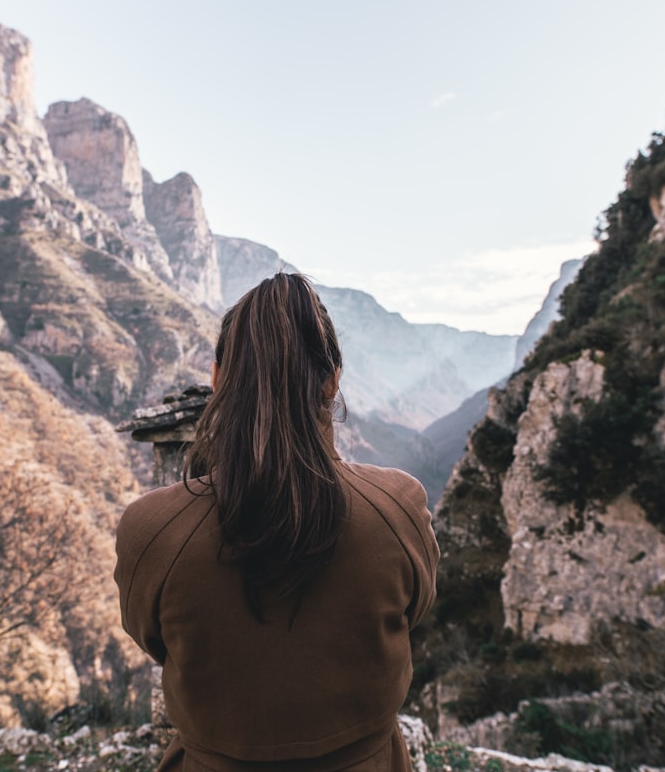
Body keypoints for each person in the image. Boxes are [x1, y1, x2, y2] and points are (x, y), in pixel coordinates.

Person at [114, 273, 440, 771]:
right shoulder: (397, 508)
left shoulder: (152, 530)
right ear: (332, 380)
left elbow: (155, 640)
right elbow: (411, 612)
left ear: (218, 378)